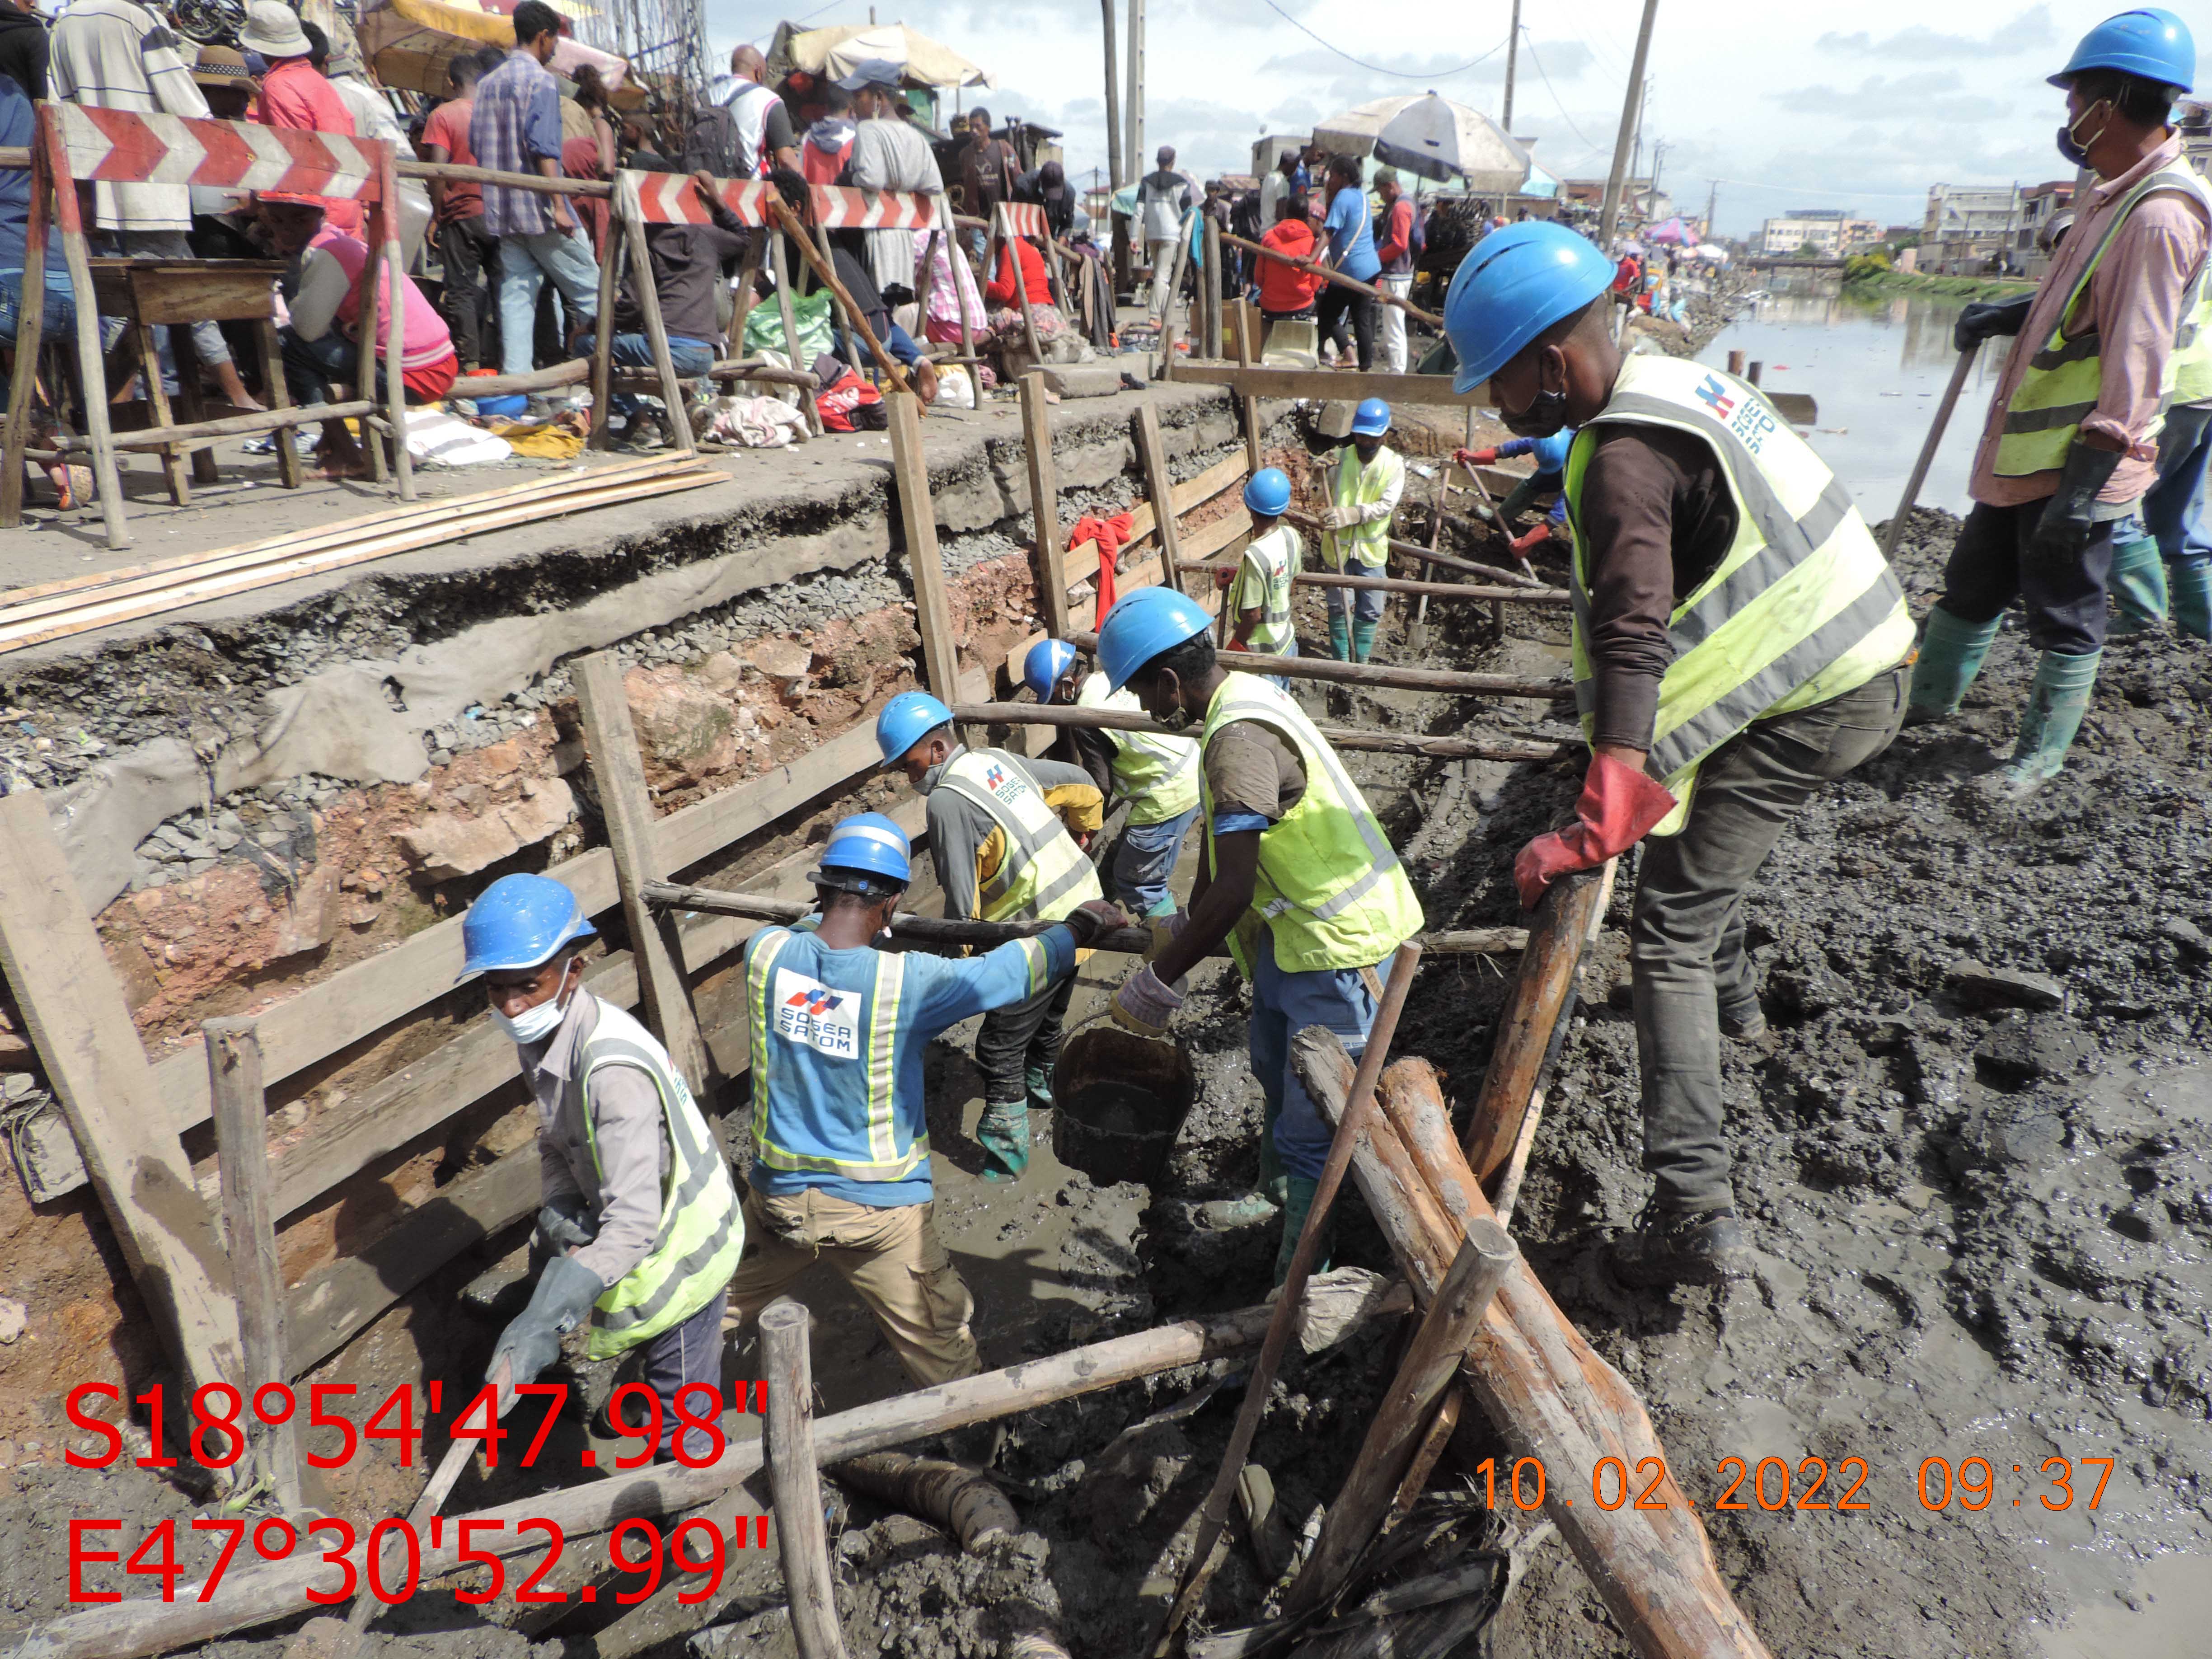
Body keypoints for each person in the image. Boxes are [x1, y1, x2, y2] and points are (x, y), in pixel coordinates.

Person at [1442, 220, 1914, 1285]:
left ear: (1552, 364)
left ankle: (1694, 1205)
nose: (1497, 406)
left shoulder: (1622, 460)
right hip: (1854, 645)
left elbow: (1632, 626)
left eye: (1500, 385)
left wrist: (1605, 794)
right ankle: (1742, 1007)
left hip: (1819, 687)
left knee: (1668, 928)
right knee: (1706, 838)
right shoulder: (1663, 381)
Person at [1909, 9, 2208, 793]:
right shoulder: (2112, 198)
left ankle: (2037, 758)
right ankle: (1921, 709)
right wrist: (2013, 311)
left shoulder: (2157, 216)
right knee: (1972, 585)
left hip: (2075, 462)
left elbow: (2137, 363)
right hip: (2023, 457)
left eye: (2074, 99)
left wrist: (2084, 488)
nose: (2068, 117)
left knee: (2065, 610)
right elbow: (2080, 305)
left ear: (2108, 102)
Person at [728, 815, 1121, 1387]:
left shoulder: (763, 954)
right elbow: (1007, 974)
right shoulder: (906, 982)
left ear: (820, 888)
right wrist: (1079, 927)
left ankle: (654, 1395)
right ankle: (974, 1439)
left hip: (777, 1201)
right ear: (891, 906)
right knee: (941, 1344)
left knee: (714, 1307)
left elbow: (814, 934)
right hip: (876, 1215)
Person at [1098, 587, 1424, 1275]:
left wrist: (1157, 981)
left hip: (1340, 947)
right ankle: (1275, 1195)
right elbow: (1224, 855)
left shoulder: (1236, 740)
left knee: (1314, 1112)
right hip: (1293, 938)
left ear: (1168, 680)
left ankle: (1302, 1271)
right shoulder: (1244, 696)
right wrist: (1186, 920)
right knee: (1275, 1069)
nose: (1144, 711)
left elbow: (1237, 885)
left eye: (1142, 694)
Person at [464, 874, 743, 1465]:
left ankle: (694, 1518)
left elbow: (635, 1221)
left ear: (575, 970)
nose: (511, 1006)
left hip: (684, 1256)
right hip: (644, 1230)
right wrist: (560, 1204)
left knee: (684, 1403)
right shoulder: (546, 1033)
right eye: (497, 989)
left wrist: (549, 1315)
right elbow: (555, 1134)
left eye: (527, 986)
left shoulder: (613, 1073)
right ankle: (638, 1403)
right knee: (652, 1366)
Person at [876, 690, 1104, 1182]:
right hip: (1088, 907)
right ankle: (1045, 1090)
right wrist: (1086, 831)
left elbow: (962, 906)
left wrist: (960, 972)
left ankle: (1007, 1155)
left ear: (937, 750)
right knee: (1049, 1016)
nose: (908, 777)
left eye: (910, 764)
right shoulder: (992, 761)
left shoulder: (946, 801)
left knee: (999, 1046)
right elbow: (1082, 785)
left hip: (1041, 930)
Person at [51, 0, 262, 412]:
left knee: (120, 303)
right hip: (150, 190)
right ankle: (121, 407)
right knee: (182, 297)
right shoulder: (139, 19)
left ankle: (112, 408)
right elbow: (189, 106)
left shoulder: (64, 24)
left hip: (96, 188)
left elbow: (58, 107)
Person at [261, 195, 456, 478]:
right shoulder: (343, 243)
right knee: (322, 350)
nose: (286, 230)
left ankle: (344, 453)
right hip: (436, 365)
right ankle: (386, 450)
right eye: (277, 222)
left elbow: (307, 329)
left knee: (289, 345)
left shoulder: (326, 253)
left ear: (319, 217)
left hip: (414, 376)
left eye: (299, 220)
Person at [1023, 638, 1201, 920]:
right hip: (1194, 769)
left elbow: (1100, 785)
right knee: (1132, 858)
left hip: (1169, 794)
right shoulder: (1107, 679)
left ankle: (1169, 944)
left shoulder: (1085, 715)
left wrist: (1085, 828)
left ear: (1068, 686)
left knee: (1139, 882)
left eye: (1055, 696)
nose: (1056, 705)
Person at [473, 1, 599, 380]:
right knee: (593, 290)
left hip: (504, 211)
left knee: (515, 300)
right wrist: (559, 205)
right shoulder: (541, 81)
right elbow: (544, 148)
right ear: (543, 36)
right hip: (542, 209)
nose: (556, 49)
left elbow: (478, 145)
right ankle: (623, 386)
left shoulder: (487, 85)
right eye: (555, 40)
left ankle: (516, 386)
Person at [766, 168, 938, 403]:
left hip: (858, 343)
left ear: (795, 208)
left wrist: (763, 288)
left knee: (798, 333)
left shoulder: (793, 245)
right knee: (878, 315)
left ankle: (825, 394)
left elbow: (794, 304)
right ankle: (919, 360)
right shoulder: (833, 239)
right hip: (884, 334)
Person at [422, 50, 497, 373]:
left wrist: (437, 214)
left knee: (461, 292)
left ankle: (471, 364)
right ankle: (509, 360)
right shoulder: (496, 113)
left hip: (462, 214)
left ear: (453, 83)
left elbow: (438, 170)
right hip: (500, 214)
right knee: (505, 289)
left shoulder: (443, 115)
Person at [843, 59, 943, 298]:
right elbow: (934, 185)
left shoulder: (868, 130)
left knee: (867, 312)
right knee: (890, 310)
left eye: (859, 95)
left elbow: (872, 180)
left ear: (879, 97)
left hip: (871, 244)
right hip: (902, 247)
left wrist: (850, 178)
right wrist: (903, 187)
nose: (854, 103)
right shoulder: (916, 137)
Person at [1317, 398, 1402, 662]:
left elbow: (1386, 506)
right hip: (1338, 549)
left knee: (1372, 608)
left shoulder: (1393, 465)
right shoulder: (1339, 459)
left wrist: (1352, 515)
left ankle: (1361, 660)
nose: (1366, 443)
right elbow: (1321, 499)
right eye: (1361, 437)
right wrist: (1316, 476)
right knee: (1339, 607)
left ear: (1385, 436)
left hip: (1370, 550)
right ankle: (1342, 661)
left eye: (1372, 438)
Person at [1225, 467, 1303, 684]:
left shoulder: (1255, 554)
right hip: (1287, 644)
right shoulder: (1291, 537)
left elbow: (1252, 616)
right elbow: (1289, 583)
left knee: (1262, 714)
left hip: (1263, 654)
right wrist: (1239, 577)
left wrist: (1236, 646)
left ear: (1249, 507)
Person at [687, 43, 797, 179]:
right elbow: (786, 160)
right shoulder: (769, 100)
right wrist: (807, 192)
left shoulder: (704, 98)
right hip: (750, 188)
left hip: (706, 185)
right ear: (758, 72)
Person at [1317, 155, 1381, 370]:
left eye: (1332, 176)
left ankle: (1348, 354)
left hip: (1351, 270)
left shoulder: (1343, 196)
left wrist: (1310, 258)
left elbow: (1328, 231)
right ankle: (1366, 366)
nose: (1329, 180)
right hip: (1370, 267)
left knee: (1326, 313)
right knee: (1361, 317)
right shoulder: (1362, 197)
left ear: (1344, 177)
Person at [1253, 192, 1320, 353]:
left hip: (1270, 304)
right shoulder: (1311, 242)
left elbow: (1258, 278)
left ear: (1286, 212)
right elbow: (1316, 283)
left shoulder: (1269, 237)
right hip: (1302, 306)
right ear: (1306, 216)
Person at [1139, 145, 1191, 319]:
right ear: (1173, 161)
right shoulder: (1182, 184)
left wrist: (1134, 236)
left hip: (1152, 232)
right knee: (1163, 275)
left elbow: (1139, 209)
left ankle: (1164, 312)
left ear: (1157, 161)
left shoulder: (1147, 182)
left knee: (1159, 274)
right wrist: (1186, 235)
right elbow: (1188, 212)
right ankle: (1154, 314)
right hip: (1171, 233)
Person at [1373, 170, 1417, 373]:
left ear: (1390, 186)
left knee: (1394, 324)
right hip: (1402, 272)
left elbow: (1399, 244)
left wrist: (1377, 256)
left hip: (1396, 274)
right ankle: (1396, 368)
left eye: (1381, 191)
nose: (1380, 196)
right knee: (1394, 322)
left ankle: (1397, 371)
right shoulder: (1409, 202)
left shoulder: (1400, 208)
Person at [960, 109, 1014, 231]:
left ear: (988, 127)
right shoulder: (965, 155)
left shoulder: (1004, 149)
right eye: (971, 127)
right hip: (978, 221)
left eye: (978, 126)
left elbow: (1017, 178)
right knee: (982, 251)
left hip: (1004, 219)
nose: (974, 131)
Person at [800, 81, 856, 184]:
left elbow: (800, 174)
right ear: (851, 109)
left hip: (813, 199)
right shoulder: (855, 139)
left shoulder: (807, 138)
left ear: (826, 108)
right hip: (843, 200)